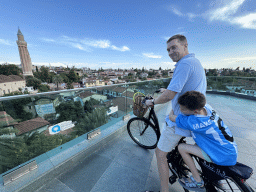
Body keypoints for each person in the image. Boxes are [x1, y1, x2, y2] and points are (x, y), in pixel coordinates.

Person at [145, 34, 207, 192]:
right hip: (195, 115)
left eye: (174, 47)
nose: (170, 52)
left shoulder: (184, 64)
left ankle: (163, 190)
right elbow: (181, 88)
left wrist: (152, 101)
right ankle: (183, 167)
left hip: (181, 118)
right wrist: (167, 90)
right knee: (180, 146)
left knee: (160, 154)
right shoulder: (195, 62)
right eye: (168, 49)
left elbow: (169, 96)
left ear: (185, 45)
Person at [168, 91, 237, 191]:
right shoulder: (207, 107)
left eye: (182, 109)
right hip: (230, 150)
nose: (180, 110)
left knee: (181, 148)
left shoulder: (194, 122)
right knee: (196, 145)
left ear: (195, 111)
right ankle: (217, 179)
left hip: (221, 156)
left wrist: (172, 106)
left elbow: (171, 117)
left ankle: (198, 181)